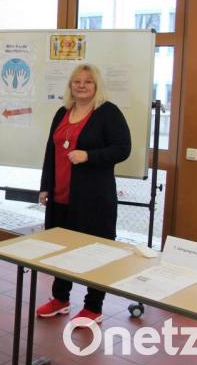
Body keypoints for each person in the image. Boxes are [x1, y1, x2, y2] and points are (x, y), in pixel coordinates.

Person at [35, 64, 131, 327]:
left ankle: (93, 307)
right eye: (76, 81)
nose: (81, 86)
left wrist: (88, 155)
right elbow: (51, 151)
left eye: (88, 82)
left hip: (93, 199)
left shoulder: (107, 112)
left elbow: (123, 149)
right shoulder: (62, 112)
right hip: (61, 196)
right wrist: (45, 186)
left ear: (97, 86)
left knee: (95, 252)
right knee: (60, 250)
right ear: (70, 86)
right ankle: (60, 299)